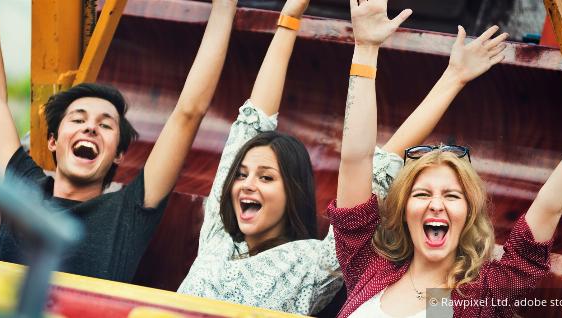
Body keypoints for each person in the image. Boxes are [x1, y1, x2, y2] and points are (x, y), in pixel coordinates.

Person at [177, 0, 507, 315]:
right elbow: (252, 123)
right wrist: (289, 19)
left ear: (294, 192)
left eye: (266, 177)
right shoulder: (218, 234)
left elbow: (369, 163)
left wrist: (453, 78)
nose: (248, 184)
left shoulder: (313, 263)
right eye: (242, 175)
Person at [329, 0, 562, 317]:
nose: (436, 204)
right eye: (422, 194)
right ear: (404, 211)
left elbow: (549, 203)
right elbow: (356, 160)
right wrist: (365, 49)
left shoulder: (474, 297)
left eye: (451, 195)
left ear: (469, 213)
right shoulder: (370, 266)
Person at [0, 0, 238, 282]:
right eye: (77, 119)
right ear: (52, 141)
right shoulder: (23, 188)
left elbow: (189, 113)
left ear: (119, 155)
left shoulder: (127, 213)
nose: (90, 128)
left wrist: (224, 8)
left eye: (105, 125)